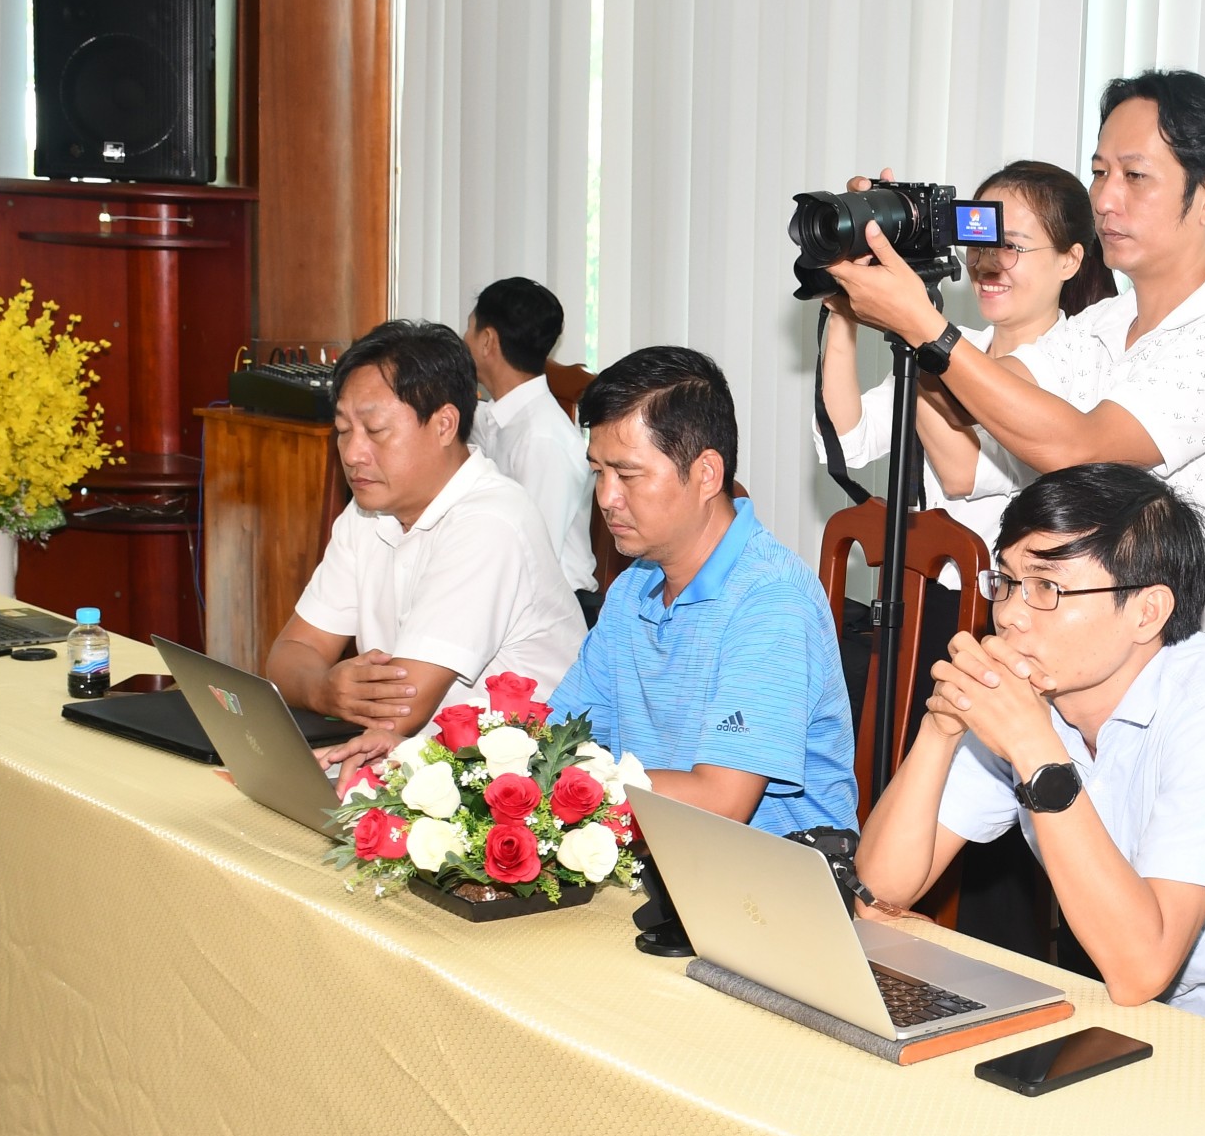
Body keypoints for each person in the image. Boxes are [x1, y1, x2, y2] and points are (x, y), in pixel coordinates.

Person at [853, 464, 1205, 1041]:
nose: (1008, 613)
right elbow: (882, 891)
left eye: (1047, 587)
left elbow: (1140, 969)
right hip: (1158, 1026)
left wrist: (1036, 750)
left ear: (1147, 612)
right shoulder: (1034, 694)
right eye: (1006, 580)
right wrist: (940, 731)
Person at [827, 70, 1205, 663]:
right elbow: (977, 413)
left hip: (1172, 680)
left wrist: (921, 325)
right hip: (1059, 664)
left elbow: (1084, 451)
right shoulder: (1098, 324)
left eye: (1135, 175)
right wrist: (910, 269)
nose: (1104, 198)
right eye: (1099, 172)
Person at [548, 347, 856, 832]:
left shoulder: (772, 600)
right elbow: (558, 737)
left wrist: (566, 782)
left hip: (766, 886)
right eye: (598, 473)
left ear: (706, 473)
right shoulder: (634, 590)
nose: (606, 498)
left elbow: (720, 801)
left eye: (627, 474)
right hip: (653, 858)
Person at [270, 321, 586, 766]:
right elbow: (288, 655)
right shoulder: (367, 513)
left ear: (443, 424)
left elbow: (402, 708)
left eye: (376, 431)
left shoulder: (490, 521)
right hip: (414, 761)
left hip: (513, 788)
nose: (353, 452)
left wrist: (326, 688)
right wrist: (323, 690)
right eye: (343, 430)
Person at [816, 160, 1116, 555]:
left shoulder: (1076, 368)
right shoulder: (952, 344)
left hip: (1003, 604)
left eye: (1010, 245)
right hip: (922, 593)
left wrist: (915, 325)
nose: (987, 263)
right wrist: (844, 306)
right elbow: (848, 441)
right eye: (979, 241)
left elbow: (962, 473)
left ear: (1069, 260)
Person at [463, 276, 600, 619]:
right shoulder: (505, 415)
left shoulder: (543, 440)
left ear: (487, 341)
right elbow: (470, 422)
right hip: (508, 592)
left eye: (469, 329)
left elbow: (532, 560)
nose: (463, 340)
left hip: (553, 613)